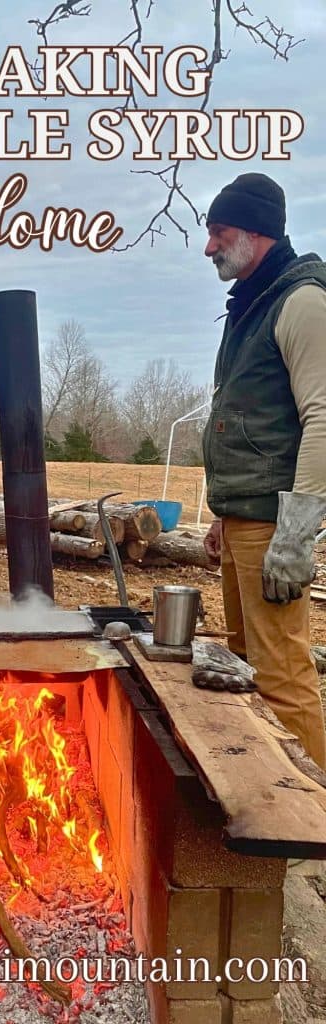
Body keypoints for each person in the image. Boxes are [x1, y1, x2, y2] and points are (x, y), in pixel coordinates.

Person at [201, 172, 326, 768]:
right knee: (244, 665)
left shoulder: (301, 301)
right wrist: (224, 513)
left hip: (275, 530)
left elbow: (323, 416)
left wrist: (296, 535)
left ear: (254, 233)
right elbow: (247, 420)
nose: (209, 247)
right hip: (244, 523)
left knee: (282, 677)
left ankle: (315, 839)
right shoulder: (251, 305)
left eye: (218, 233)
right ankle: (270, 800)